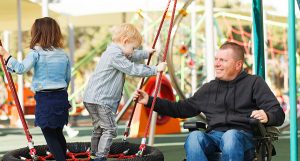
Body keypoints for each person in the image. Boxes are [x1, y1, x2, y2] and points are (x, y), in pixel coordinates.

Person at [133, 42, 285, 161]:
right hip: (214, 136)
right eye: (216, 59)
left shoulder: (254, 83)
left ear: (238, 65)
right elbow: (180, 109)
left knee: (230, 136)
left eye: (223, 60)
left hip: (243, 137)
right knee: (194, 137)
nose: (217, 64)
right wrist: (149, 100)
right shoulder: (209, 88)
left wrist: (268, 115)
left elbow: (277, 113)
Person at [83, 23, 167, 161]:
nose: (134, 50)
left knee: (99, 127)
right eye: (133, 47)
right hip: (101, 100)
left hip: (90, 98)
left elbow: (130, 55)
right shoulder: (116, 56)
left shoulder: (113, 51)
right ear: (125, 41)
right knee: (109, 129)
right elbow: (132, 69)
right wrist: (155, 69)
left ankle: (94, 153)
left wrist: (146, 53)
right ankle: (100, 157)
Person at [0, 17, 70, 161]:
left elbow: (20, 68)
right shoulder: (63, 54)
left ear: (37, 33)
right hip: (61, 97)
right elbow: (67, 77)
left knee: (50, 135)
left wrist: (6, 54)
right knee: (58, 133)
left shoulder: (36, 52)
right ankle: (62, 157)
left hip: (46, 98)